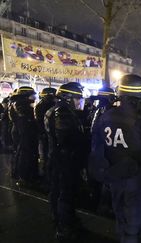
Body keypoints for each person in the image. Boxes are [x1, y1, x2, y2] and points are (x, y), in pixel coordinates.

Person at [89, 74, 141, 243]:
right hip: (137, 179)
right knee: (133, 224)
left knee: (120, 218)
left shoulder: (106, 115)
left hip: (114, 176)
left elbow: (97, 148)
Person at [45, 82, 87, 240]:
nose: (79, 102)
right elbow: (65, 139)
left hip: (57, 158)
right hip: (64, 160)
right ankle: (64, 227)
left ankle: (61, 220)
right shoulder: (62, 112)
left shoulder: (56, 109)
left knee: (58, 192)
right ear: (68, 97)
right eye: (77, 98)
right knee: (65, 194)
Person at [11, 86, 39, 186]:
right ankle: (23, 177)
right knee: (24, 154)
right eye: (32, 96)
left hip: (23, 133)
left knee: (23, 153)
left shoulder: (21, 104)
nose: (34, 98)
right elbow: (26, 121)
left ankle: (22, 175)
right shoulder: (21, 106)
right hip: (24, 133)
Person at [34, 87, 57, 179]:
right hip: (46, 133)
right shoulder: (48, 105)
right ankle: (47, 175)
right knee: (47, 154)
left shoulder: (40, 104)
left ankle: (45, 173)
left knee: (44, 154)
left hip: (43, 133)